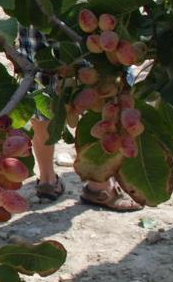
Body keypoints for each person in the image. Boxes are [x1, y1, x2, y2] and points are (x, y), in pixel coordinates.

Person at [17, 26, 143, 211]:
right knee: (102, 95)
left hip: (38, 19)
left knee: (41, 88)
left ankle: (47, 180)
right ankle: (99, 186)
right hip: (86, 25)